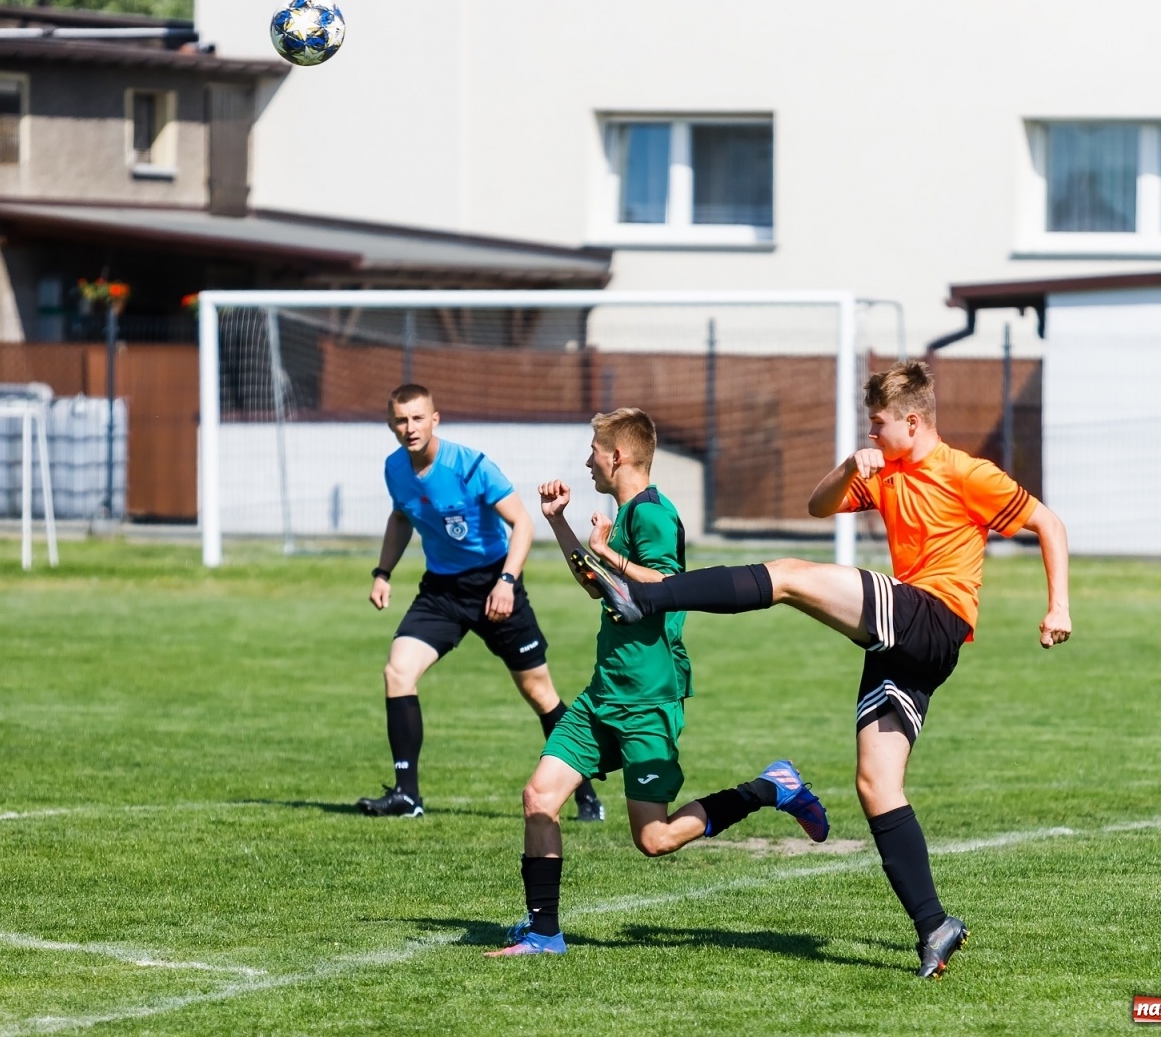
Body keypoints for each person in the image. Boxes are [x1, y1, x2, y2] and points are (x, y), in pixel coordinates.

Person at [590, 361, 1072, 978]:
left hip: (933, 616)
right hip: (903, 646)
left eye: (878, 424)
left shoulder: (966, 472)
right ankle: (934, 925)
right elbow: (818, 506)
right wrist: (849, 467)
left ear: (913, 422)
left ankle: (651, 595)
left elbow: (1048, 523)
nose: (871, 433)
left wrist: (1058, 606)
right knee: (876, 785)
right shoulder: (885, 470)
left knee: (790, 576)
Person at [486, 408, 827, 957]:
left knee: (655, 838)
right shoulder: (622, 515)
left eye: (594, 451)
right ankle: (544, 933)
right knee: (539, 798)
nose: (588, 461)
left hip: (648, 700)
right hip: (603, 694)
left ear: (617, 456)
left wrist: (607, 553)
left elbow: (670, 583)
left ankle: (771, 787)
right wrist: (559, 523)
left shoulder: (652, 515)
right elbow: (598, 586)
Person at [359, 385, 602, 820]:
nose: (410, 428)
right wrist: (383, 572)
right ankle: (407, 796)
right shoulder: (394, 468)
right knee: (398, 671)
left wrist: (507, 581)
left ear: (435, 419)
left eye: (418, 418)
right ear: (391, 423)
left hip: (495, 584)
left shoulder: (471, 466)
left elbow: (523, 524)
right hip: (442, 591)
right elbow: (400, 517)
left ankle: (586, 794)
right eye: (401, 420)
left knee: (539, 692)